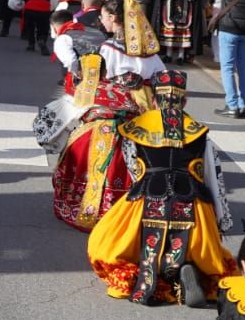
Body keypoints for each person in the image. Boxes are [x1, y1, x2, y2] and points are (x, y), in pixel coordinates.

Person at [86, 70, 233, 305]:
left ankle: (150, 270)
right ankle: (185, 266)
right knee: (206, 252)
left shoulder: (135, 130)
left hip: (147, 201)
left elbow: (135, 173)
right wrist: (221, 223)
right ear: (184, 101)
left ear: (154, 100)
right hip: (191, 205)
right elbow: (215, 181)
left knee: (106, 244)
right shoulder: (201, 134)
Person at [50, 52, 151, 232]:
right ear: (105, 72)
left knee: (74, 155)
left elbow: (59, 120)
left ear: (82, 73)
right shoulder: (122, 90)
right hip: (122, 138)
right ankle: (116, 211)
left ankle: (78, 206)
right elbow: (139, 113)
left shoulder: (79, 91)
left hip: (88, 137)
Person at [98, 0, 167, 83]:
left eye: (102, 17)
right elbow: (162, 73)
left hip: (121, 94)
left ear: (112, 18)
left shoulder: (109, 47)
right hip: (149, 94)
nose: (102, 21)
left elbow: (103, 76)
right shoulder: (147, 46)